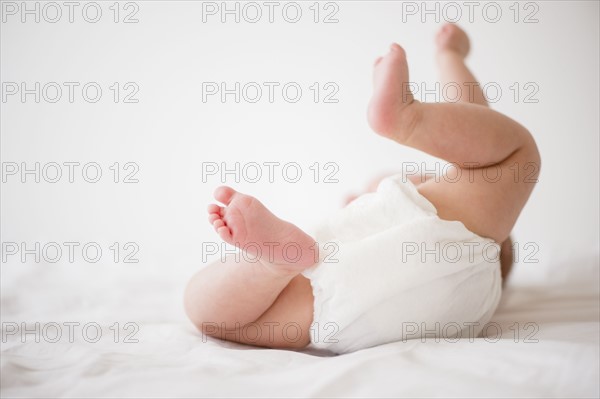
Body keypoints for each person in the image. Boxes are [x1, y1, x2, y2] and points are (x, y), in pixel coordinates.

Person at [184, 24, 540, 354]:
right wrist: (452, 57)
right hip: (414, 315)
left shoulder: (463, 237)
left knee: (206, 311)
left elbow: (471, 127)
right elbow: (474, 125)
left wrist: (450, 54)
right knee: (505, 156)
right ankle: (275, 263)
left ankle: (272, 266)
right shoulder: (473, 247)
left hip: (341, 303)